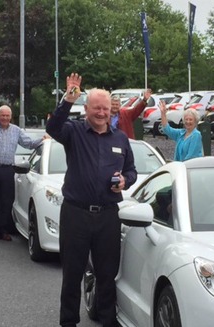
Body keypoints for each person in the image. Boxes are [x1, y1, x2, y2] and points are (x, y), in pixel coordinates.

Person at [46, 73, 137, 327]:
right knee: (72, 274)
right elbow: (52, 128)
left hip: (108, 215)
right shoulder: (73, 132)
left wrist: (125, 182)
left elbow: (132, 170)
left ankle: (107, 320)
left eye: (105, 109)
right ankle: (68, 322)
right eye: (96, 108)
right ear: (86, 109)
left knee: (107, 274)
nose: (101, 113)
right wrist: (67, 99)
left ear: (111, 111)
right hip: (76, 214)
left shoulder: (120, 138)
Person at [0, 85, 44, 242]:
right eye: (2, 115)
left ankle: (4, 230)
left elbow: (29, 143)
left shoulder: (16, 130)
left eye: (7, 116)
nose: (4, 118)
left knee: (6, 201)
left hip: (7, 171)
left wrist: (43, 140)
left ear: (11, 117)